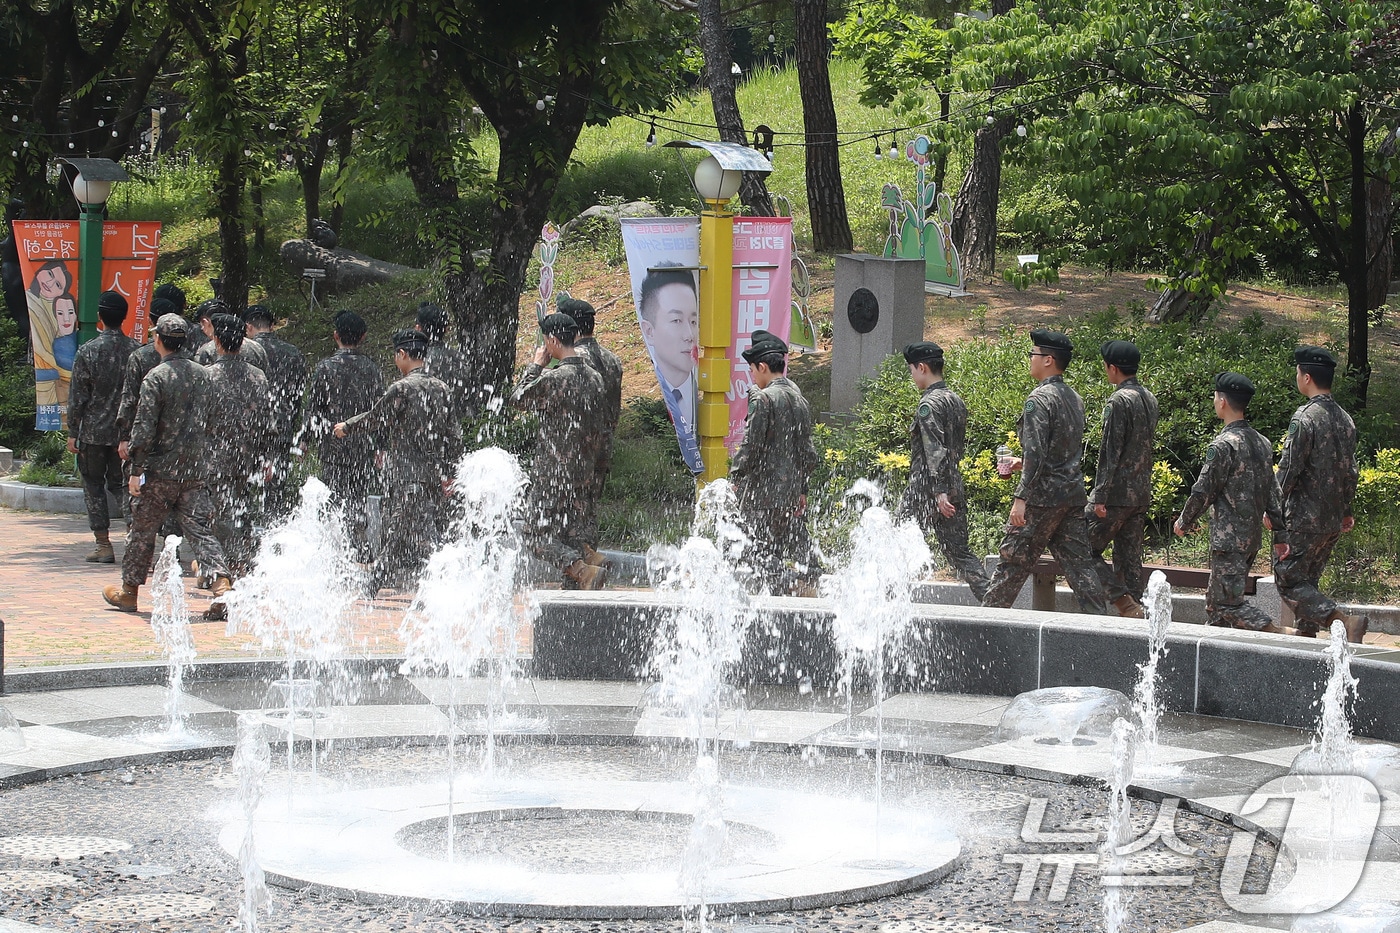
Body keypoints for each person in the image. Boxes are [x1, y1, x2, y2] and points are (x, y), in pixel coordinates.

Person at [103, 314, 233, 620]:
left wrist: (136, 470)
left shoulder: (156, 377)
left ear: (158, 340)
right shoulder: (205, 375)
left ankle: (129, 592)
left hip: (159, 471)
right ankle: (222, 586)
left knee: (142, 531)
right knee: (200, 530)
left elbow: (143, 428)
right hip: (195, 469)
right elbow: (214, 421)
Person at [982, 329, 1107, 614]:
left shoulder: (1038, 400)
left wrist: (1020, 498)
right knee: (1081, 568)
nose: (1030, 359)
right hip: (1071, 496)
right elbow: (1057, 452)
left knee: (1011, 563)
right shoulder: (1074, 398)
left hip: (1041, 498)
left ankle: (984, 627)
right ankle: (1103, 627)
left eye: (1033, 354)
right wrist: (1023, 462)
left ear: (1048, 360)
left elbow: (1037, 454)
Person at [333, 329, 462, 593]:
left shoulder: (402, 388)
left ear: (402, 354)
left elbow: (376, 417)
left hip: (406, 475)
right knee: (417, 532)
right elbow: (454, 436)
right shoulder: (442, 388)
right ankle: (432, 584)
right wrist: (450, 473)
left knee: (402, 533)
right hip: (432, 476)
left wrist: (347, 426)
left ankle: (377, 585)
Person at [1173, 372, 1287, 632]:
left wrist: (1184, 521)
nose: (1214, 401)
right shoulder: (1262, 442)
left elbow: (1204, 490)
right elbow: (1273, 491)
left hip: (1229, 542)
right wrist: (1280, 533)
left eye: (1215, 397)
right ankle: (1215, 652)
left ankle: (1278, 633)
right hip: (1251, 540)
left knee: (1226, 605)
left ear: (1222, 401)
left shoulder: (1224, 445)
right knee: (1216, 607)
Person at [1272, 346, 1366, 642]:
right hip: (1331, 519)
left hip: (1303, 518)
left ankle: (1343, 620)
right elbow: (1350, 471)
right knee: (1308, 580)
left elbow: (1289, 469)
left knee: (1288, 579)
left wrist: (1272, 508)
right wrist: (1346, 510)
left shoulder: (1305, 418)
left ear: (1306, 377)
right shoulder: (1345, 419)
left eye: (1298, 372)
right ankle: (1306, 637)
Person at [511, 312, 610, 589]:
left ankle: (582, 569)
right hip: (584, 471)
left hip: (553, 473)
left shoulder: (556, 378)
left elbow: (518, 398)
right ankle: (590, 557)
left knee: (535, 535)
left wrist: (535, 366)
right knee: (570, 531)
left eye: (545, 341)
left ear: (553, 340)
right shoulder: (595, 377)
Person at [895, 341, 991, 601]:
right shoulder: (955, 400)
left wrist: (939, 492)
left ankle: (890, 602)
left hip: (926, 489)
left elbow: (934, 450)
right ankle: (992, 600)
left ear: (922, 367)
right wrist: (947, 489)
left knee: (898, 542)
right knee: (960, 553)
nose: (912, 376)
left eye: (911, 370)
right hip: (953, 485)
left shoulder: (928, 405)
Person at [730, 329, 820, 596]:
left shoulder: (764, 398)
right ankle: (808, 579)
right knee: (783, 542)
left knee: (754, 546)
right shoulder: (799, 398)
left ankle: (785, 588)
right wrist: (802, 488)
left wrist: (735, 477)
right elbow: (807, 452)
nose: (752, 376)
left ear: (762, 366)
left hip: (763, 492)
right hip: (790, 492)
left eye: (752, 370)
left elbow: (751, 444)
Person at [1086, 340, 1160, 618]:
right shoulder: (1149, 398)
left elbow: (1110, 451)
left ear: (1113, 368)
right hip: (1140, 493)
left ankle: (1122, 601)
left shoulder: (1118, 401)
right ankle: (1138, 616)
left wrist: (1100, 495)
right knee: (1130, 562)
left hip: (1117, 494)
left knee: (1079, 546)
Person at [302, 311, 384, 559]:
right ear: (363, 337)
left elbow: (314, 408)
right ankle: (360, 547)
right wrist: (381, 446)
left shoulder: (326, 367)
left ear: (335, 335)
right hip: (362, 444)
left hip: (332, 445)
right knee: (357, 496)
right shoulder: (371, 369)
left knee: (332, 497)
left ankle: (333, 549)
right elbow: (379, 411)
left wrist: (304, 440)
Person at [67, 290, 140, 563]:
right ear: (124, 317)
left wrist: (73, 431)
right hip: (127, 434)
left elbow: (78, 396)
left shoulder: (88, 351)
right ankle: (134, 539)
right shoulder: (138, 351)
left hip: (93, 432)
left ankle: (103, 544)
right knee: (124, 486)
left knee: (93, 485)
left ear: (99, 316)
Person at [204, 313, 275, 576]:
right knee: (242, 506)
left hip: (215, 456)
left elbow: (197, 420)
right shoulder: (258, 376)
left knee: (219, 511)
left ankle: (227, 565)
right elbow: (267, 421)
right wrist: (267, 457)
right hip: (249, 455)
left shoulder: (207, 376)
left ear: (217, 341)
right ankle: (240, 560)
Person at [560, 296, 622, 554]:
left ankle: (579, 563)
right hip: (603, 442)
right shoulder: (612, 359)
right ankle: (590, 556)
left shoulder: (575, 361)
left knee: (570, 509)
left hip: (577, 447)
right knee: (589, 506)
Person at [244, 304, 307, 517]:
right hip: (282, 426)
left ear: (248, 327)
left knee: (243, 486)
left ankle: (244, 529)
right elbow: (297, 396)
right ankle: (275, 526)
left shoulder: (246, 352)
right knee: (275, 486)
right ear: (272, 326)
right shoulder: (293, 353)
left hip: (250, 428)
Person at [637, 264, 701, 472]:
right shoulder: (654, 398)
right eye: (676, 320)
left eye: (693, 321)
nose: (689, 335)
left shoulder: (705, 393)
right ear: (649, 331)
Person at [26, 259, 73, 410]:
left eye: (58, 285)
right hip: (45, 375)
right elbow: (41, 349)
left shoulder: (59, 308)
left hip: (57, 379)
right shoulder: (29, 300)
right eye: (50, 274)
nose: (50, 283)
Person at [416, 301, 473, 421]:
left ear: (418, 328)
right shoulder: (460, 357)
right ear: (446, 329)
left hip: (434, 423)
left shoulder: (419, 361)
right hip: (463, 420)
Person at [193, 299, 268, 372]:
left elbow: (199, 377)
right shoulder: (256, 347)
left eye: (201, 324)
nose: (202, 328)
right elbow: (267, 376)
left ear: (205, 322)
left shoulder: (206, 350)